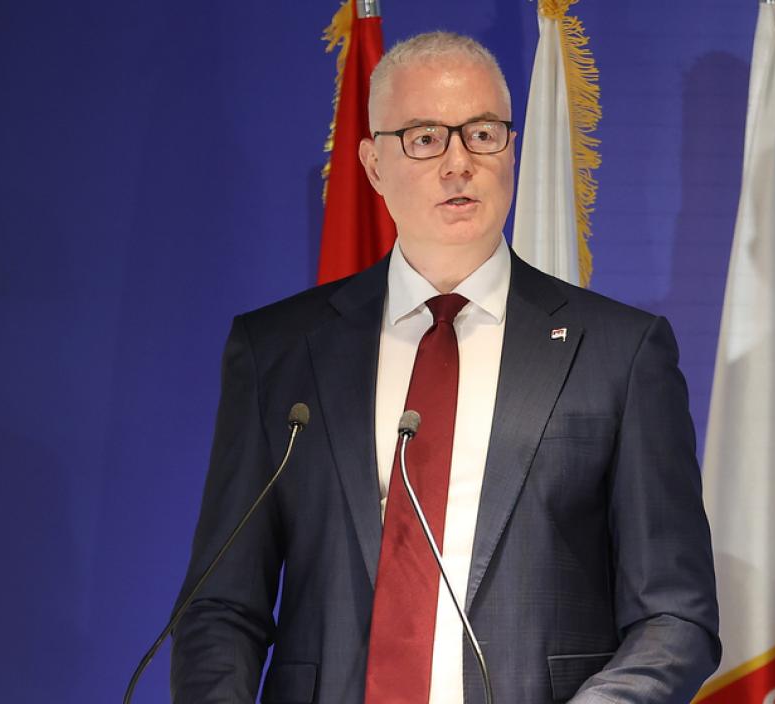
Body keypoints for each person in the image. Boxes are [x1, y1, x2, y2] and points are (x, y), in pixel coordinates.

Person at [170, 31, 720, 704]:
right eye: (425, 138)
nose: (459, 163)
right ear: (374, 164)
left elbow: (675, 616)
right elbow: (221, 608)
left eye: (483, 134)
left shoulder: (620, 353)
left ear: (512, 149)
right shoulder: (279, 351)